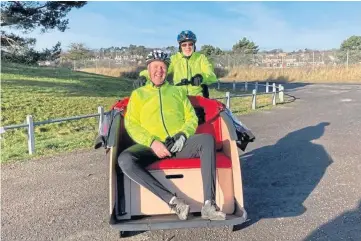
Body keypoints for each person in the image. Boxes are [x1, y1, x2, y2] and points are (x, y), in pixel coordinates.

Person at [118, 49, 226, 221]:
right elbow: (131, 124)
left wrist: (183, 135)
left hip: (178, 143)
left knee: (206, 140)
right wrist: (152, 142)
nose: (158, 70)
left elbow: (191, 118)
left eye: (162, 67)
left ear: (166, 70)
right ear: (148, 69)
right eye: (155, 66)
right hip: (150, 147)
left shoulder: (177, 92)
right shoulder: (138, 95)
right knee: (125, 159)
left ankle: (209, 205)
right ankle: (173, 201)